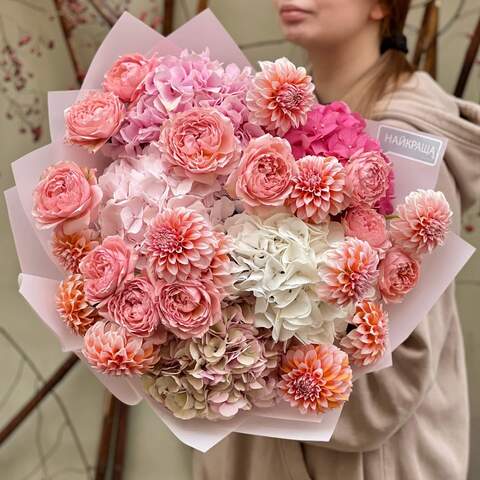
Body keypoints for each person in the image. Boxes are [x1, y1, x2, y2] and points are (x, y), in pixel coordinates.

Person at [193, 1, 480, 479]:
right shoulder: (272, 123)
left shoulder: (405, 139)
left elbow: (405, 349)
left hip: (356, 460)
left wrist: (257, 375)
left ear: (381, 6)